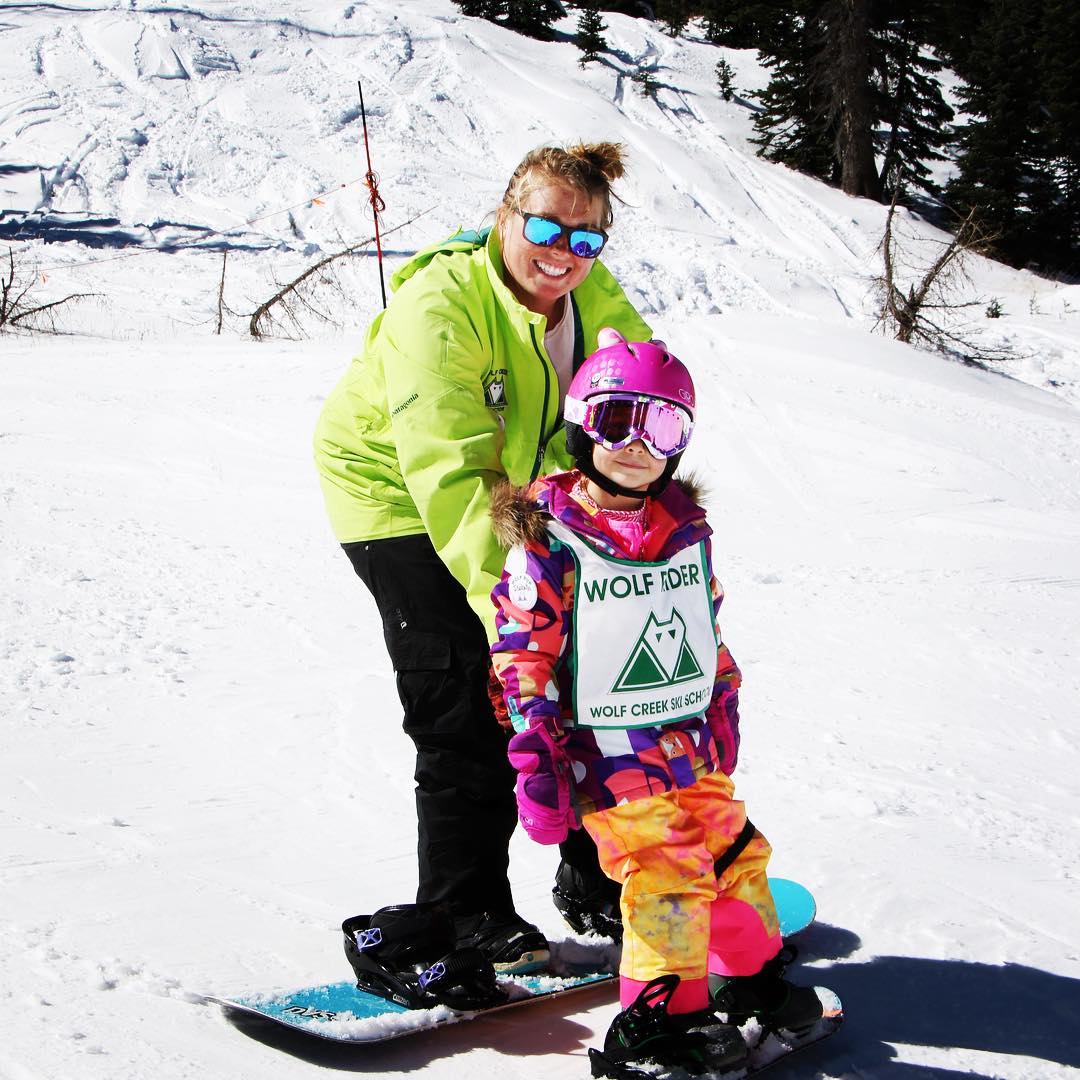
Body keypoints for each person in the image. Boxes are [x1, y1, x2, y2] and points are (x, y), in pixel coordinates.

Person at [313, 142, 650, 973]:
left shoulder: (588, 293)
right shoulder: (439, 306)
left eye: (585, 237)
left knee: (588, 674)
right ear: (505, 215)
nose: (562, 252)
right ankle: (466, 912)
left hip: (520, 491)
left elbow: (637, 394)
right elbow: (450, 472)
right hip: (396, 492)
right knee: (467, 691)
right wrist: (520, 610)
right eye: (544, 225)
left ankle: (597, 874)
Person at [490, 330, 824, 1076]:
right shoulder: (551, 538)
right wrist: (537, 753)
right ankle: (657, 1018)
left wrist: (724, 694)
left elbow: (702, 621)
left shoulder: (682, 529)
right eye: (616, 421)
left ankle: (747, 974)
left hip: (687, 744)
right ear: (583, 423)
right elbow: (522, 655)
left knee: (736, 853)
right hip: (609, 754)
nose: (637, 444)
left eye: (662, 426)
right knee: (667, 873)